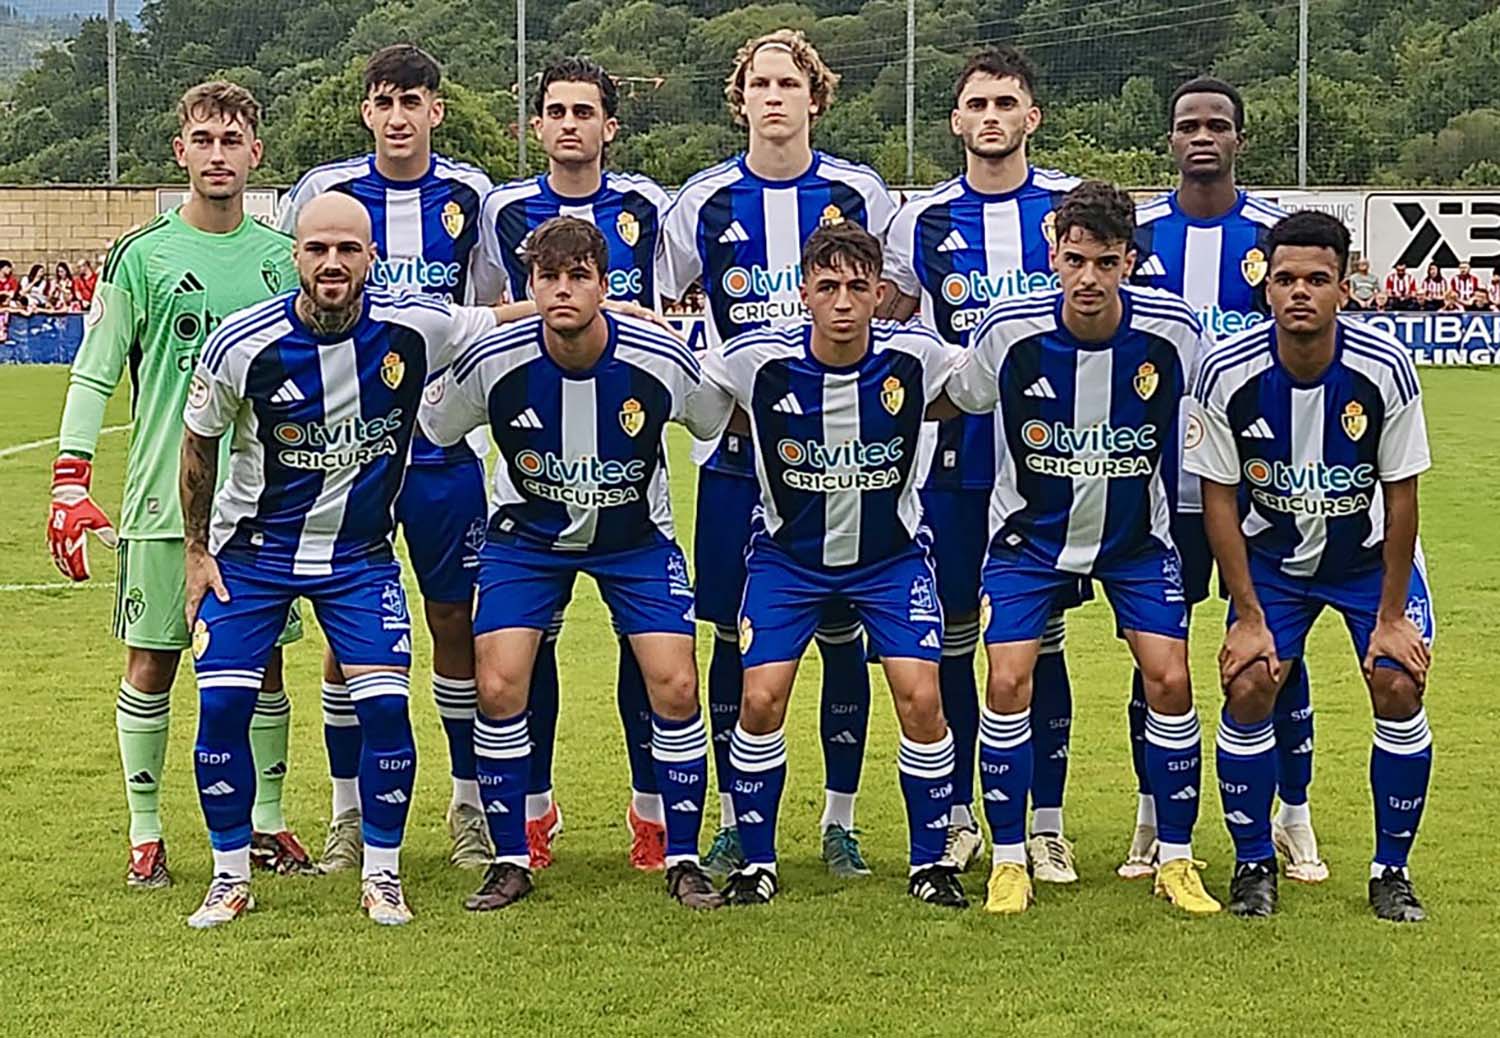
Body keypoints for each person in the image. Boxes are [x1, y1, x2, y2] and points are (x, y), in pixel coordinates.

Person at [179, 192, 528, 928]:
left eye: (347, 250)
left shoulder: (415, 326)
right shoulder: (241, 344)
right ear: (295, 257)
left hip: (359, 557)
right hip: (254, 554)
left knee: (386, 709)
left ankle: (382, 874)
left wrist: (616, 315)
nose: (332, 263)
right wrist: (196, 550)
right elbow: (199, 441)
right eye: (317, 250)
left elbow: (510, 316)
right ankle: (229, 875)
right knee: (222, 708)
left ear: (371, 257)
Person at [48, 81, 315, 889]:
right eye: (203, 139)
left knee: (264, 666)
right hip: (165, 505)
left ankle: (266, 826)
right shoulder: (144, 254)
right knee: (153, 663)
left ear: (256, 153)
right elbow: (95, 372)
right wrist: (69, 477)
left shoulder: (281, 256)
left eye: (232, 140)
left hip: (263, 509)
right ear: (181, 152)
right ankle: (146, 834)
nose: (218, 153)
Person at [419, 217, 725, 913]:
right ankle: (508, 858)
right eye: (549, 277)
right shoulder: (492, 360)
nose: (563, 291)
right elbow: (437, 430)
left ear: (604, 286)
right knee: (498, 686)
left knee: (675, 686)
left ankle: (681, 855)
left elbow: (713, 420)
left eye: (578, 276)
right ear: (531, 285)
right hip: (524, 541)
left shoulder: (658, 356)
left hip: (635, 540)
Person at [940, 181, 1220, 916]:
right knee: (1006, 683)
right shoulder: (1007, 329)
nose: (1089, 278)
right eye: (1074, 260)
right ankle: (1009, 859)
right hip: (1028, 540)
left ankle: (1177, 857)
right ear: (1053, 256)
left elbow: (1222, 407)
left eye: (1105, 262)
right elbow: (954, 398)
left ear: (1129, 261)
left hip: (1136, 541)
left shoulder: (1175, 332)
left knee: (1171, 680)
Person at [658, 28, 899, 880]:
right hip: (734, 455)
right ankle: (734, 815)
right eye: (758, 83)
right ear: (742, 98)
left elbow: (895, 301)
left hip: (840, 454)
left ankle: (840, 821)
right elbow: (671, 306)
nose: (772, 97)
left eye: (787, 83)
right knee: (732, 634)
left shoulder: (858, 191)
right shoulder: (702, 201)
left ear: (814, 97)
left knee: (842, 635)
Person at [697, 221, 967, 908]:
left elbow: (977, 389)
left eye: (856, 287)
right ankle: (757, 862)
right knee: (759, 698)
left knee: (921, 697)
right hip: (789, 561)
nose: (843, 301)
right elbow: (695, 399)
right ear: (803, 293)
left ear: (880, 293)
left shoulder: (917, 358)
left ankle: (928, 863)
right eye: (827, 287)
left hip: (891, 560)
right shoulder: (758, 362)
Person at [276, 44, 497, 871]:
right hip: (345, 455)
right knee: (345, 631)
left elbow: (488, 309)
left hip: (441, 448)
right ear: (366, 111)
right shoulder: (326, 196)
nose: (398, 116)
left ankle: (467, 805)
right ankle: (346, 813)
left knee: (452, 621)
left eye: (414, 101)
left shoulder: (471, 194)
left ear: (436, 110)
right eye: (384, 102)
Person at [1186, 210, 1434, 922]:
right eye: (1286, 277)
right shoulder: (1227, 372)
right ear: (1265, 285)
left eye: (1317, 279)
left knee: (1397, 685)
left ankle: (1392, 871)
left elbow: (1402, 493)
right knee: (1250, 683)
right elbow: (1220, 499)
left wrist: (1391, 618)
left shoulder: (1383, 368)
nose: (1301, 292)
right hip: (1273, 562)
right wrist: (1249, 616)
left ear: (1344, 287)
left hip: (1366, 560)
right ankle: (1253, 864)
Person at [882, 46, 1080, 878]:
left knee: (1044, 641)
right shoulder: (919, 221)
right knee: (956, 638)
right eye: (977, 104)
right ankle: (961, 813)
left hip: (1059, 462)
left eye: (1007, 102)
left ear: (1031, 117)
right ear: (956, 121)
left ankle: (1046, 821)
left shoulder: (1070, 208)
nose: (991, 116)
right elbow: (892, 326)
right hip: (956, 461)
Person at [473, 56, 674, 871]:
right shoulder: (501, 209)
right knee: (529, 648)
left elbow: (662, 315)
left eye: (583, 111)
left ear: (609, 127)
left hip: (628, 468)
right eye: (554, 110)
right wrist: (555, 305)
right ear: (536, 126)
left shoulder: (649, 207)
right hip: (530, 465)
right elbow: (479, 318)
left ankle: (652, 812)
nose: (568, 124)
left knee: (646, 647)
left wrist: (614, 315)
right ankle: (533, 810)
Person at [1131, 76, 1325, 883]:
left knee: (1276, 649)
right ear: (1170, 141)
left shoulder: (1271, 241)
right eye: (1188, 126)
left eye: (1217, 125)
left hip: (1257, 488)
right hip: (1157, 487)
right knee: (1157, 659)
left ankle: (1294, 814)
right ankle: (1152, 816)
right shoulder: (1137, 240)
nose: (1202, 137)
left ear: (1239, 138)